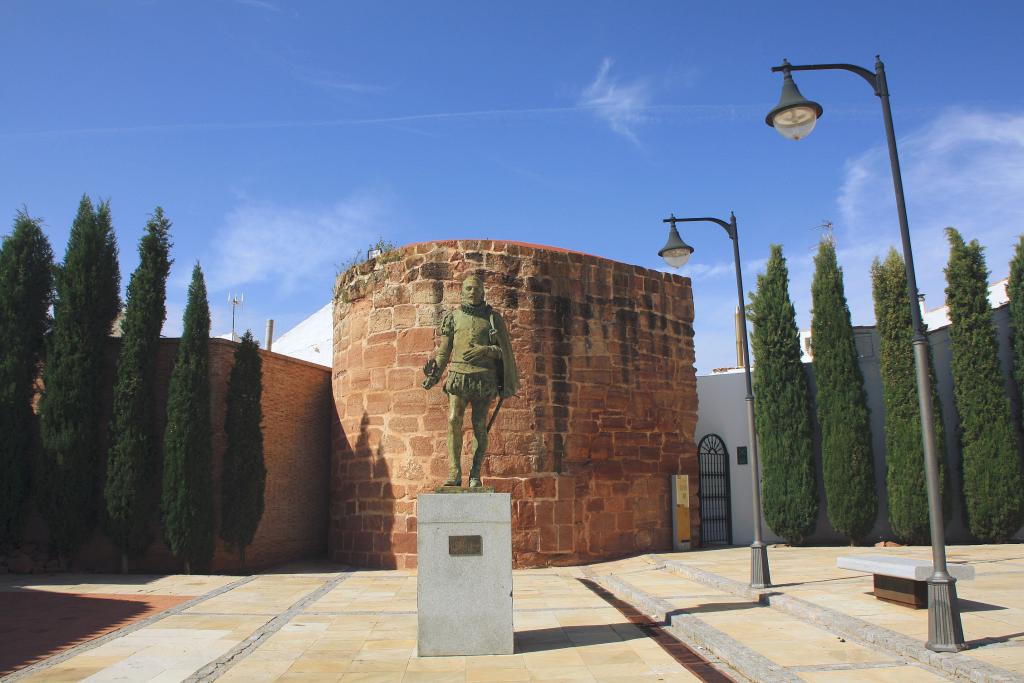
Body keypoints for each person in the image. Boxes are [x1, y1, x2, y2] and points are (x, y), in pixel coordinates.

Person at [422, 274, 518, 487]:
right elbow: (443, 352)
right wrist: (434, 375)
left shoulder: (493, 319)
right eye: (468, 288)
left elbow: (505, 352)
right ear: (462, 292)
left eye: (476, 288)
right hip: (458, 376)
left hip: (484, 379)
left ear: (483, 292)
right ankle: (455, 472)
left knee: (479, 425)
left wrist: (486, 350)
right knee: (453, 419)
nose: (472, 292)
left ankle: (475, 473)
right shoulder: (453, 318)